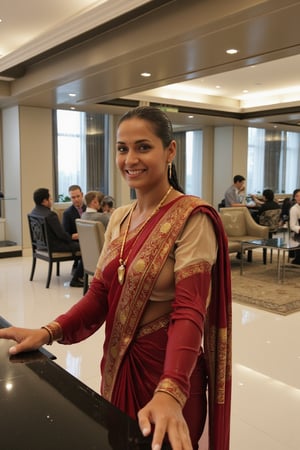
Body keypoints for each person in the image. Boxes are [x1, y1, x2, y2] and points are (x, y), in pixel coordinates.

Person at [0, 106, 232, 450]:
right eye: (122, 149)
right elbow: (99, 296)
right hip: (120, 366)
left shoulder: (192, 218)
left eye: (143, 147)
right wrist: (47, 332)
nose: (130, 159)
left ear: (170, 150)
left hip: (169, 375)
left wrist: (170, 390)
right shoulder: (121, 218)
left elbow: (190, 310)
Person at [29, 188, 82, 287]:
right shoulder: (50, 215)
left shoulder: (34, 212)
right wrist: (72, 237)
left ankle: (76, 270)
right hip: (55, 246)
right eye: (50, 198)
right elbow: (61, 234)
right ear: (45, 201)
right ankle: (77, 278)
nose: (51, 200)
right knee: (86, 248)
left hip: (42, 246)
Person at [62, 185, 86, 287]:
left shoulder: (89, 208)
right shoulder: (67, 213)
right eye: (73, 197)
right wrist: (75, 236)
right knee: (88, 248)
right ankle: (77, 275)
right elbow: (65, 233)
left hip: (87, 238)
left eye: (77, 196)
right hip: (76, 240)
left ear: (82, 195)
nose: (76, 199)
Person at [289, 188, 300, 264]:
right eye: (297, 196)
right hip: (298, 233)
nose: (299, 198)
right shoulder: (294, 209)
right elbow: (292, 226)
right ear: (294, 197)